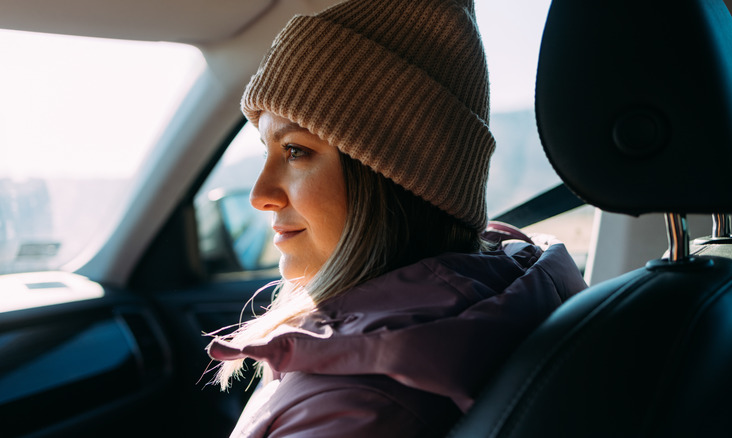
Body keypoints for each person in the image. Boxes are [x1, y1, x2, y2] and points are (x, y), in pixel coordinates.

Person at [206, 0, 588, 436]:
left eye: (296, 151)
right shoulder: (511, 290)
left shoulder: (353, 408)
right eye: (267, 151)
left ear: (392, 176)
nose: (259, 196)